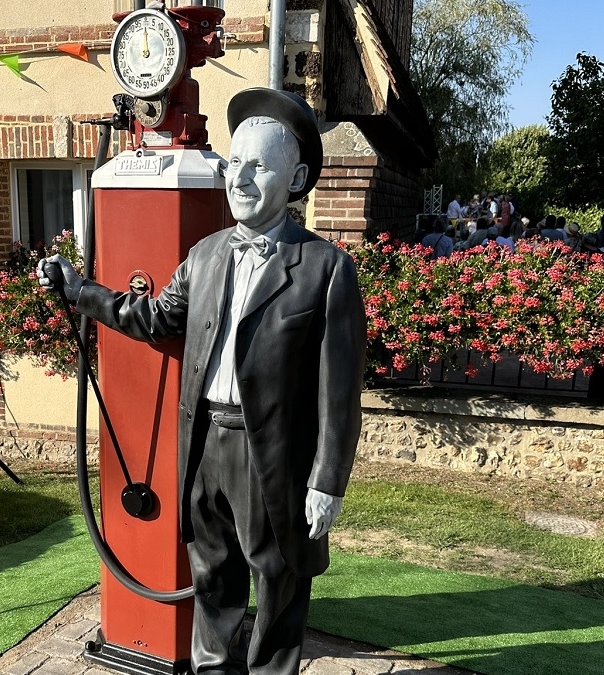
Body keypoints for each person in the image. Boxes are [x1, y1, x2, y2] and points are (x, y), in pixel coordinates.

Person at [38, 88, 366, 675]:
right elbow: (154, 318)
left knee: (277, 584)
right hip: (204, 445)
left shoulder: (325, 267)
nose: (239, 178)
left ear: (295, 180)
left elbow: (339, 392)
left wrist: (328, 481)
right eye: (234, 162)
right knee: (212, 579)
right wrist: (78, 290)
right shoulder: (208, 253)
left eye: (259, 165)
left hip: (273, 456)